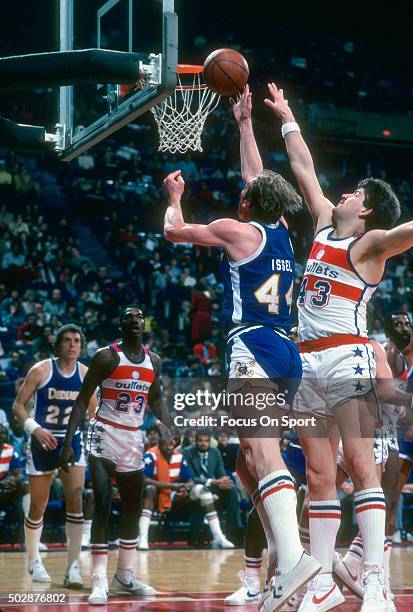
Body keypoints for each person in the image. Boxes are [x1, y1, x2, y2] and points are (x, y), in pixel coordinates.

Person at [163, 85, 320, 611]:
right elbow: (258, 175)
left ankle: (295, 560)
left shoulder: (236, 229)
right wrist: (245, 122)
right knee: (247, 465)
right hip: (285, 353)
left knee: (262, 453)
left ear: (249, 203)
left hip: (251, 344)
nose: (242, 190)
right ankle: (280, 562)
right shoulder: (279, 230)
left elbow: (175, 233)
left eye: (246, 192)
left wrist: (174, 198)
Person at [265, 82, 412, 612]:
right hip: (305, 360)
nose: (343, 193)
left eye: (353, 192)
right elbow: (304, 170)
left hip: (348, 354)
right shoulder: (327, 224)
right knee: (320, 473)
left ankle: (376, 581)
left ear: (368, 209)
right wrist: (286, 118)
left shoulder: (371, 245)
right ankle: (323, 581)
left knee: (360, 464)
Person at [58, 305, 180, 605]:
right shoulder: (106, 356)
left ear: (145, 325)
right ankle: (99, 578)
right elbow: (82, 398)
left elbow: (154, 399)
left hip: (133, 437)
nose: (135, 322)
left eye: (139, 318)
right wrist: (67, 442)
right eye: (129, 318)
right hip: (104, 433)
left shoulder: (155, 361)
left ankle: (124, 575)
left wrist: (171, 425)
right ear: (121, 324)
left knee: (133, 508)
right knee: (101, 502)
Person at [12, 324, 94, 587]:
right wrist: (34, 429)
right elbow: (18, 406)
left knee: (75, 502)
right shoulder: (41, 370)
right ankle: (34, 560)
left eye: (77, 341)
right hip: (42, 441)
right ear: (57, 345)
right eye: (68, 340)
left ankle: (73, 568)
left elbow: (94, 414)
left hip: (72, 442)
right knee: (38, 505)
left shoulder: (86, 374)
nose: (73, 345)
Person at [184, 430, 240, 547]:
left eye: (206, 441)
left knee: (232, 490)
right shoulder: (188, 453)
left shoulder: (215, 452)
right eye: (200, 441)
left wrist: (225, 481)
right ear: (196, 441)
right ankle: (210, 535)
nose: (203, 443)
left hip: (213, 486)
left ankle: (233, 532)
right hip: (194, 488)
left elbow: (221, 472)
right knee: (203, 490)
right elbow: (190, 477)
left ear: (210, 442)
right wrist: (214, 481)